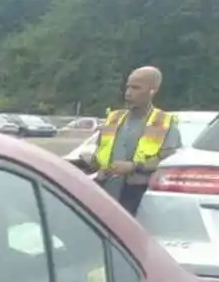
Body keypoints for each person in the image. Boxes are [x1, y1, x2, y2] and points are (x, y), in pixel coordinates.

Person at [74, 66, 183, 216]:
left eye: (136, 88)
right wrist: (90, 163)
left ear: (153, 90)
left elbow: (168, 162)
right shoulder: (113, 119)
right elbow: (99, 153)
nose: (128, 93)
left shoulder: (164, 123)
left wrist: (133, 167)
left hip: (138, 197)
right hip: (105, 193)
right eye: (128, 87)